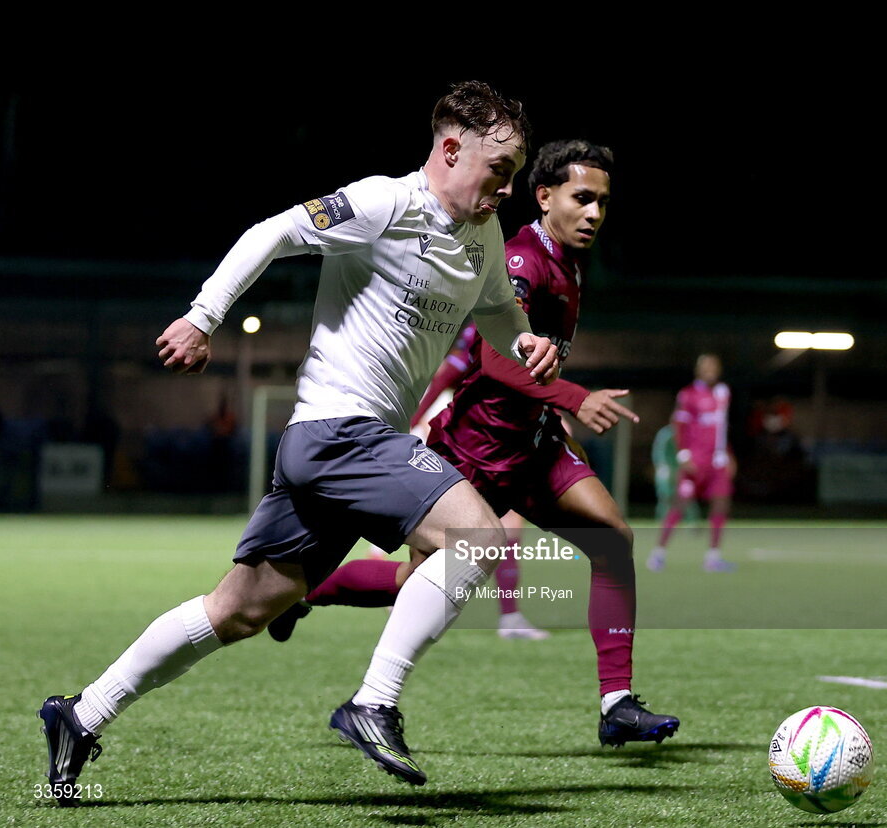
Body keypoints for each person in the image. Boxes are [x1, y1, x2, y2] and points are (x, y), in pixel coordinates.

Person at [36, 81, 559, 807]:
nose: (507, 188)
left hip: (347, 446)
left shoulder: (483, 237)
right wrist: (203, 316)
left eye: (514, 173)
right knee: (476, 535)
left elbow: (500, 312)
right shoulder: (385, 203)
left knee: (245, 608)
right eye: (499, 170)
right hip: (340, 429)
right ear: (449, 149)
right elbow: (273, 232)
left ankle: (81, 713)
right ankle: (374, 702)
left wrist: (525, 339)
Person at [315, 140, 679, 787]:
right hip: (475, 454)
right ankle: (308, 593)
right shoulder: (521, 259)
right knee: (413, 589)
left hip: (535, 447)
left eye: (603, 202)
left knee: (613, 540)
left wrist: (555, 411)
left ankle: (616, 705)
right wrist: (573, 396)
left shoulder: (570, 259)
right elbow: (495, 362)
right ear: (545, 197)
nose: (595, 213)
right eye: (583, 198)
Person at [271, 318, 550, 641]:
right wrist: (410, 424)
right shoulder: (502, 310)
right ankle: (307, 598)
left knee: (496, 534)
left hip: (498, 448)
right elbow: (456, 369)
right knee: (417, 570)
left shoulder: (541, 314)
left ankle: (509, 615)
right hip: (459, 443)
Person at [647, 353, 736, 573]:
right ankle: (658, 554)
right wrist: (684, 456)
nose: (710, 370)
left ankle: (713, 558)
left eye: (714, 365)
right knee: (679, 505)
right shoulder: (688, 395)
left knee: (721, 504)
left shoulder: (723, 393)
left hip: (717, 462)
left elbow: (722, 429)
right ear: (698, 370)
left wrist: (728, 454)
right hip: (695, 461)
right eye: (706, 366)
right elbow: (679, 425)